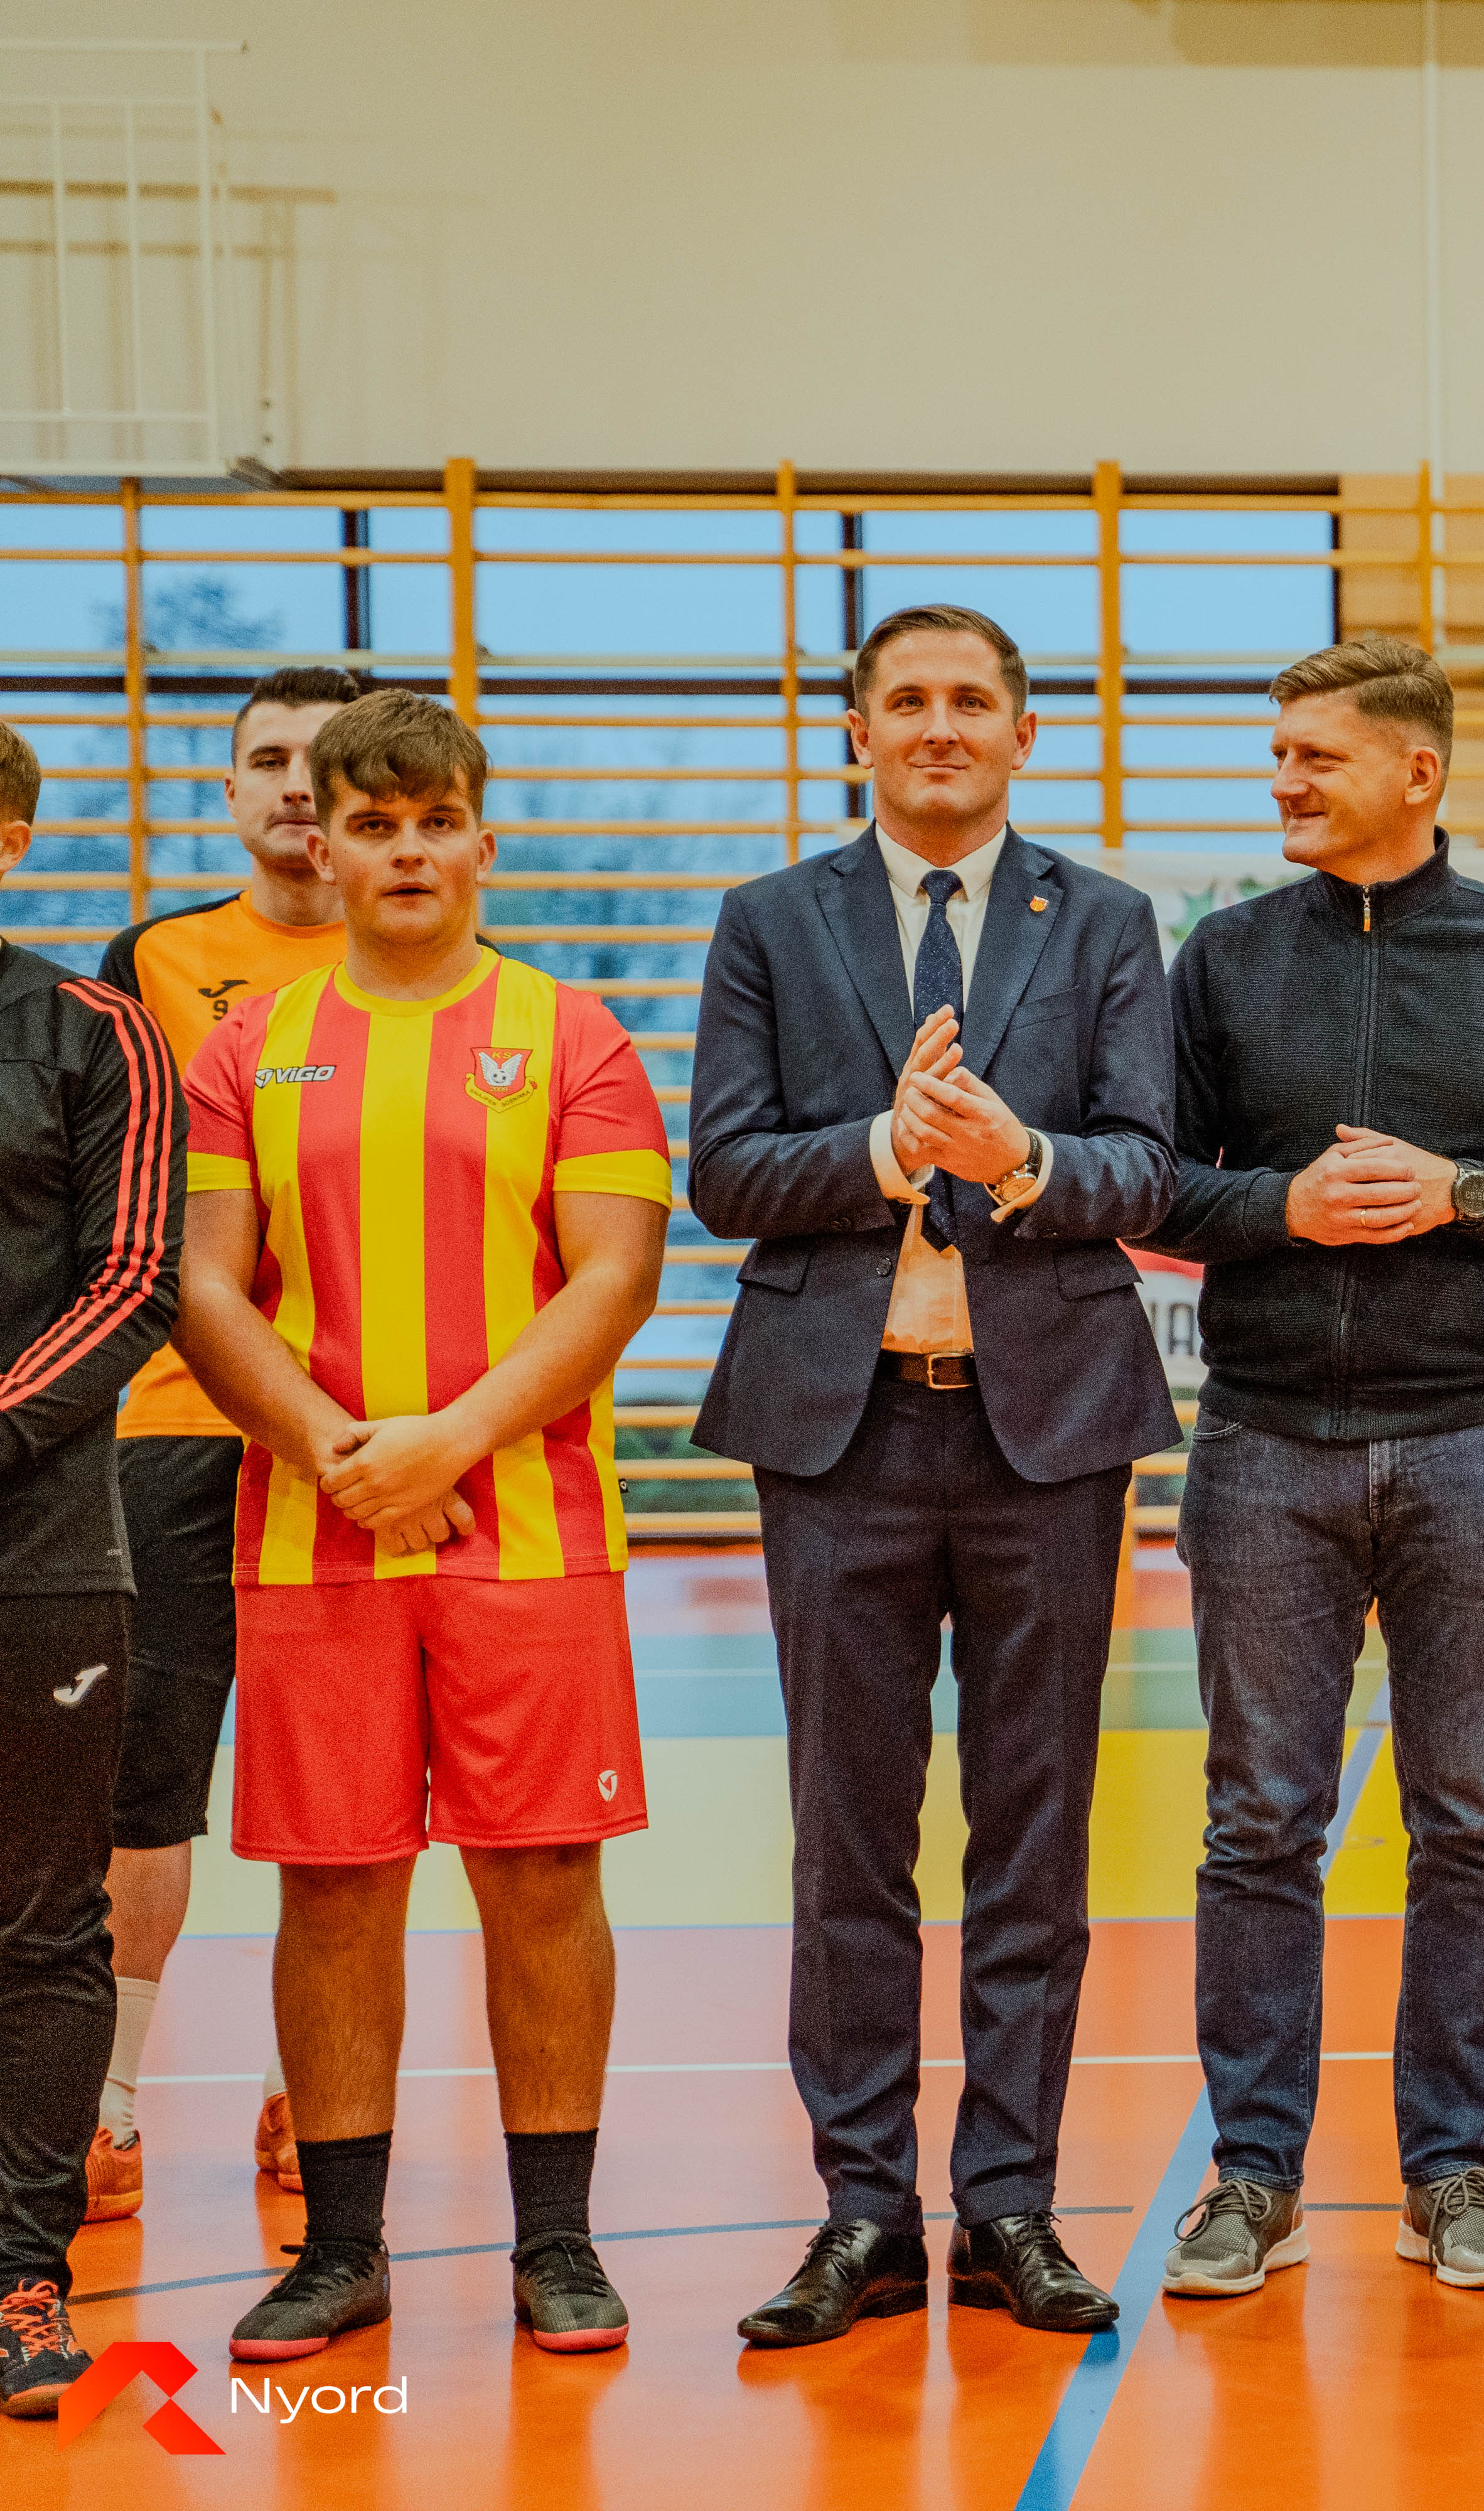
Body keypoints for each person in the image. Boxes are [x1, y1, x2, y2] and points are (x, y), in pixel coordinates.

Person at [692, 606, 1180, 2348]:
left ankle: (1014, 2204)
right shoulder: (769, 920)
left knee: (1035, 1840)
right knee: (849, 1843)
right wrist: (884, 1149)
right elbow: (726, 1172)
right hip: (842, 1433)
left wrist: (1023, 1154)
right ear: (859, 733)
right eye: (907, 700)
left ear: (1025, 733)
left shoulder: (1105, 920)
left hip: (1046, 1434)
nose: (941, 725)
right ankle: (862, 2211)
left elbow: (1148, 1168)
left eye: (973, 699)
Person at [172, 692, 670, 2362]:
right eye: (372, 825)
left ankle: (558, 2242)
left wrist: (449, 1440)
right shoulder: (248, 1046)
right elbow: (204, 1283)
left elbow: (613, 1277)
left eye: (434, 822)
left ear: (482, 841)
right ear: (322, 844)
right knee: (333, 1886)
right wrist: (338, 1453)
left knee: (544, 1875)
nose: (406, 852)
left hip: (530, 1527)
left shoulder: (574, 1033)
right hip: (312, 1532)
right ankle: (340, 2250)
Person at [1151, 638, 1484, 2297]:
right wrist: (1279, 1207)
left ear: (1418, 773)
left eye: (1316, 755)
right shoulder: (1222, 959)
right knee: (1257, 1826)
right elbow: (1153, 1183)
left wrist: (1467, 1193)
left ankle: (1452, 2170)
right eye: (1278, 752)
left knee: (1472, 1821)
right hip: (1263, 1442)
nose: (1283, 778)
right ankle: (1254, 2176)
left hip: (1478, 1438)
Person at [84, 665, 363, 2224]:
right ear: (231, 789)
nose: (298, 786)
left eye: (326, 759)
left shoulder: (428, 965)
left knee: (339, 1789)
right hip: (177, 1423)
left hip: (357, 1436)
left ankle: (308, 2091)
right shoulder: (156, 959)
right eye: (268, 759)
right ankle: (110, 2100)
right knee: (146, 1778)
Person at [0, 719, 183, 2418]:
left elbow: (133, 1278)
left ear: (12, 836)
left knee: (44, 1921)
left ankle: (19, 2278)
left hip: (42, 1550)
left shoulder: (92, 1029)